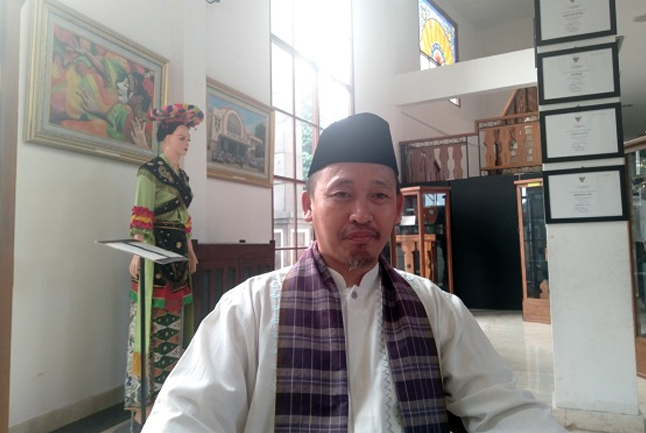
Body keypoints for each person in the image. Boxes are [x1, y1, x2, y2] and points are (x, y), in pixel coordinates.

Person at [142, 112, 567, 432]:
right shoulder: (249, 309)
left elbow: (504, 408)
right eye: (342, 193)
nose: (361, 213)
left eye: (379, 196)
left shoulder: (435, 308)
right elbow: (185, 416)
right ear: (308, 206)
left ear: (397, 209)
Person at [125, 103, 204, 430]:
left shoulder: (181, 177)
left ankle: (168, 396)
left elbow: (184, 219)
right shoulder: (149, 172)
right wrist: (137, 252)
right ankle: (142, 404)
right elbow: (142, 212)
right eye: (182, 137)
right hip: (154, 254)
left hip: (179, 257)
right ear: (166, 138)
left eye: (188, 138)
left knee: (175, 322)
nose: (186, 143)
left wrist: (191, 250)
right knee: (149, 325)